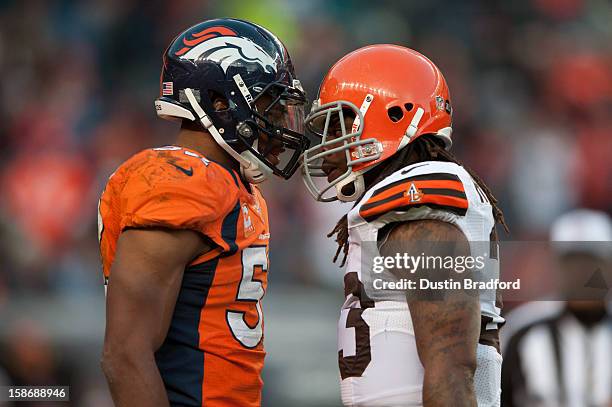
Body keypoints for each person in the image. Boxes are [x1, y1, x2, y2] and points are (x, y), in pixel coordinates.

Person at [98, 18, 308, 407]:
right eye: (270, 106)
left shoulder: (234, 183)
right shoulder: (178, 182)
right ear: (219, 102)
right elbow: (125, 355)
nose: (280, 122)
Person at [301, 45, 507, 406]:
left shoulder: (418, 201)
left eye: (339, 125)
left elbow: (451, 365)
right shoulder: (394, 208)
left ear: (396, 114)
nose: (328, 146)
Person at [502, 209, 612, 407]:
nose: (580, 273)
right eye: (571, 263)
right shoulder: (521, 331)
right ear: (555, 267)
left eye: (589, 262)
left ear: (608, 265)